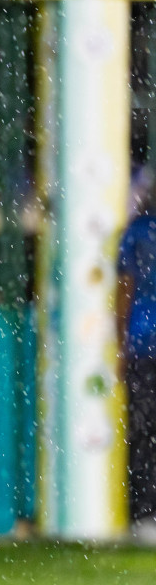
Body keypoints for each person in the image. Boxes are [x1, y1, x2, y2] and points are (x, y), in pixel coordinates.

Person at [119, 199, 156, 541]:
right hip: (143, 343)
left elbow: (125, 290)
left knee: (142, 433)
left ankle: (144, 514)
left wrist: (120, 344)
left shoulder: (138, 232)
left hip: (143, 343)